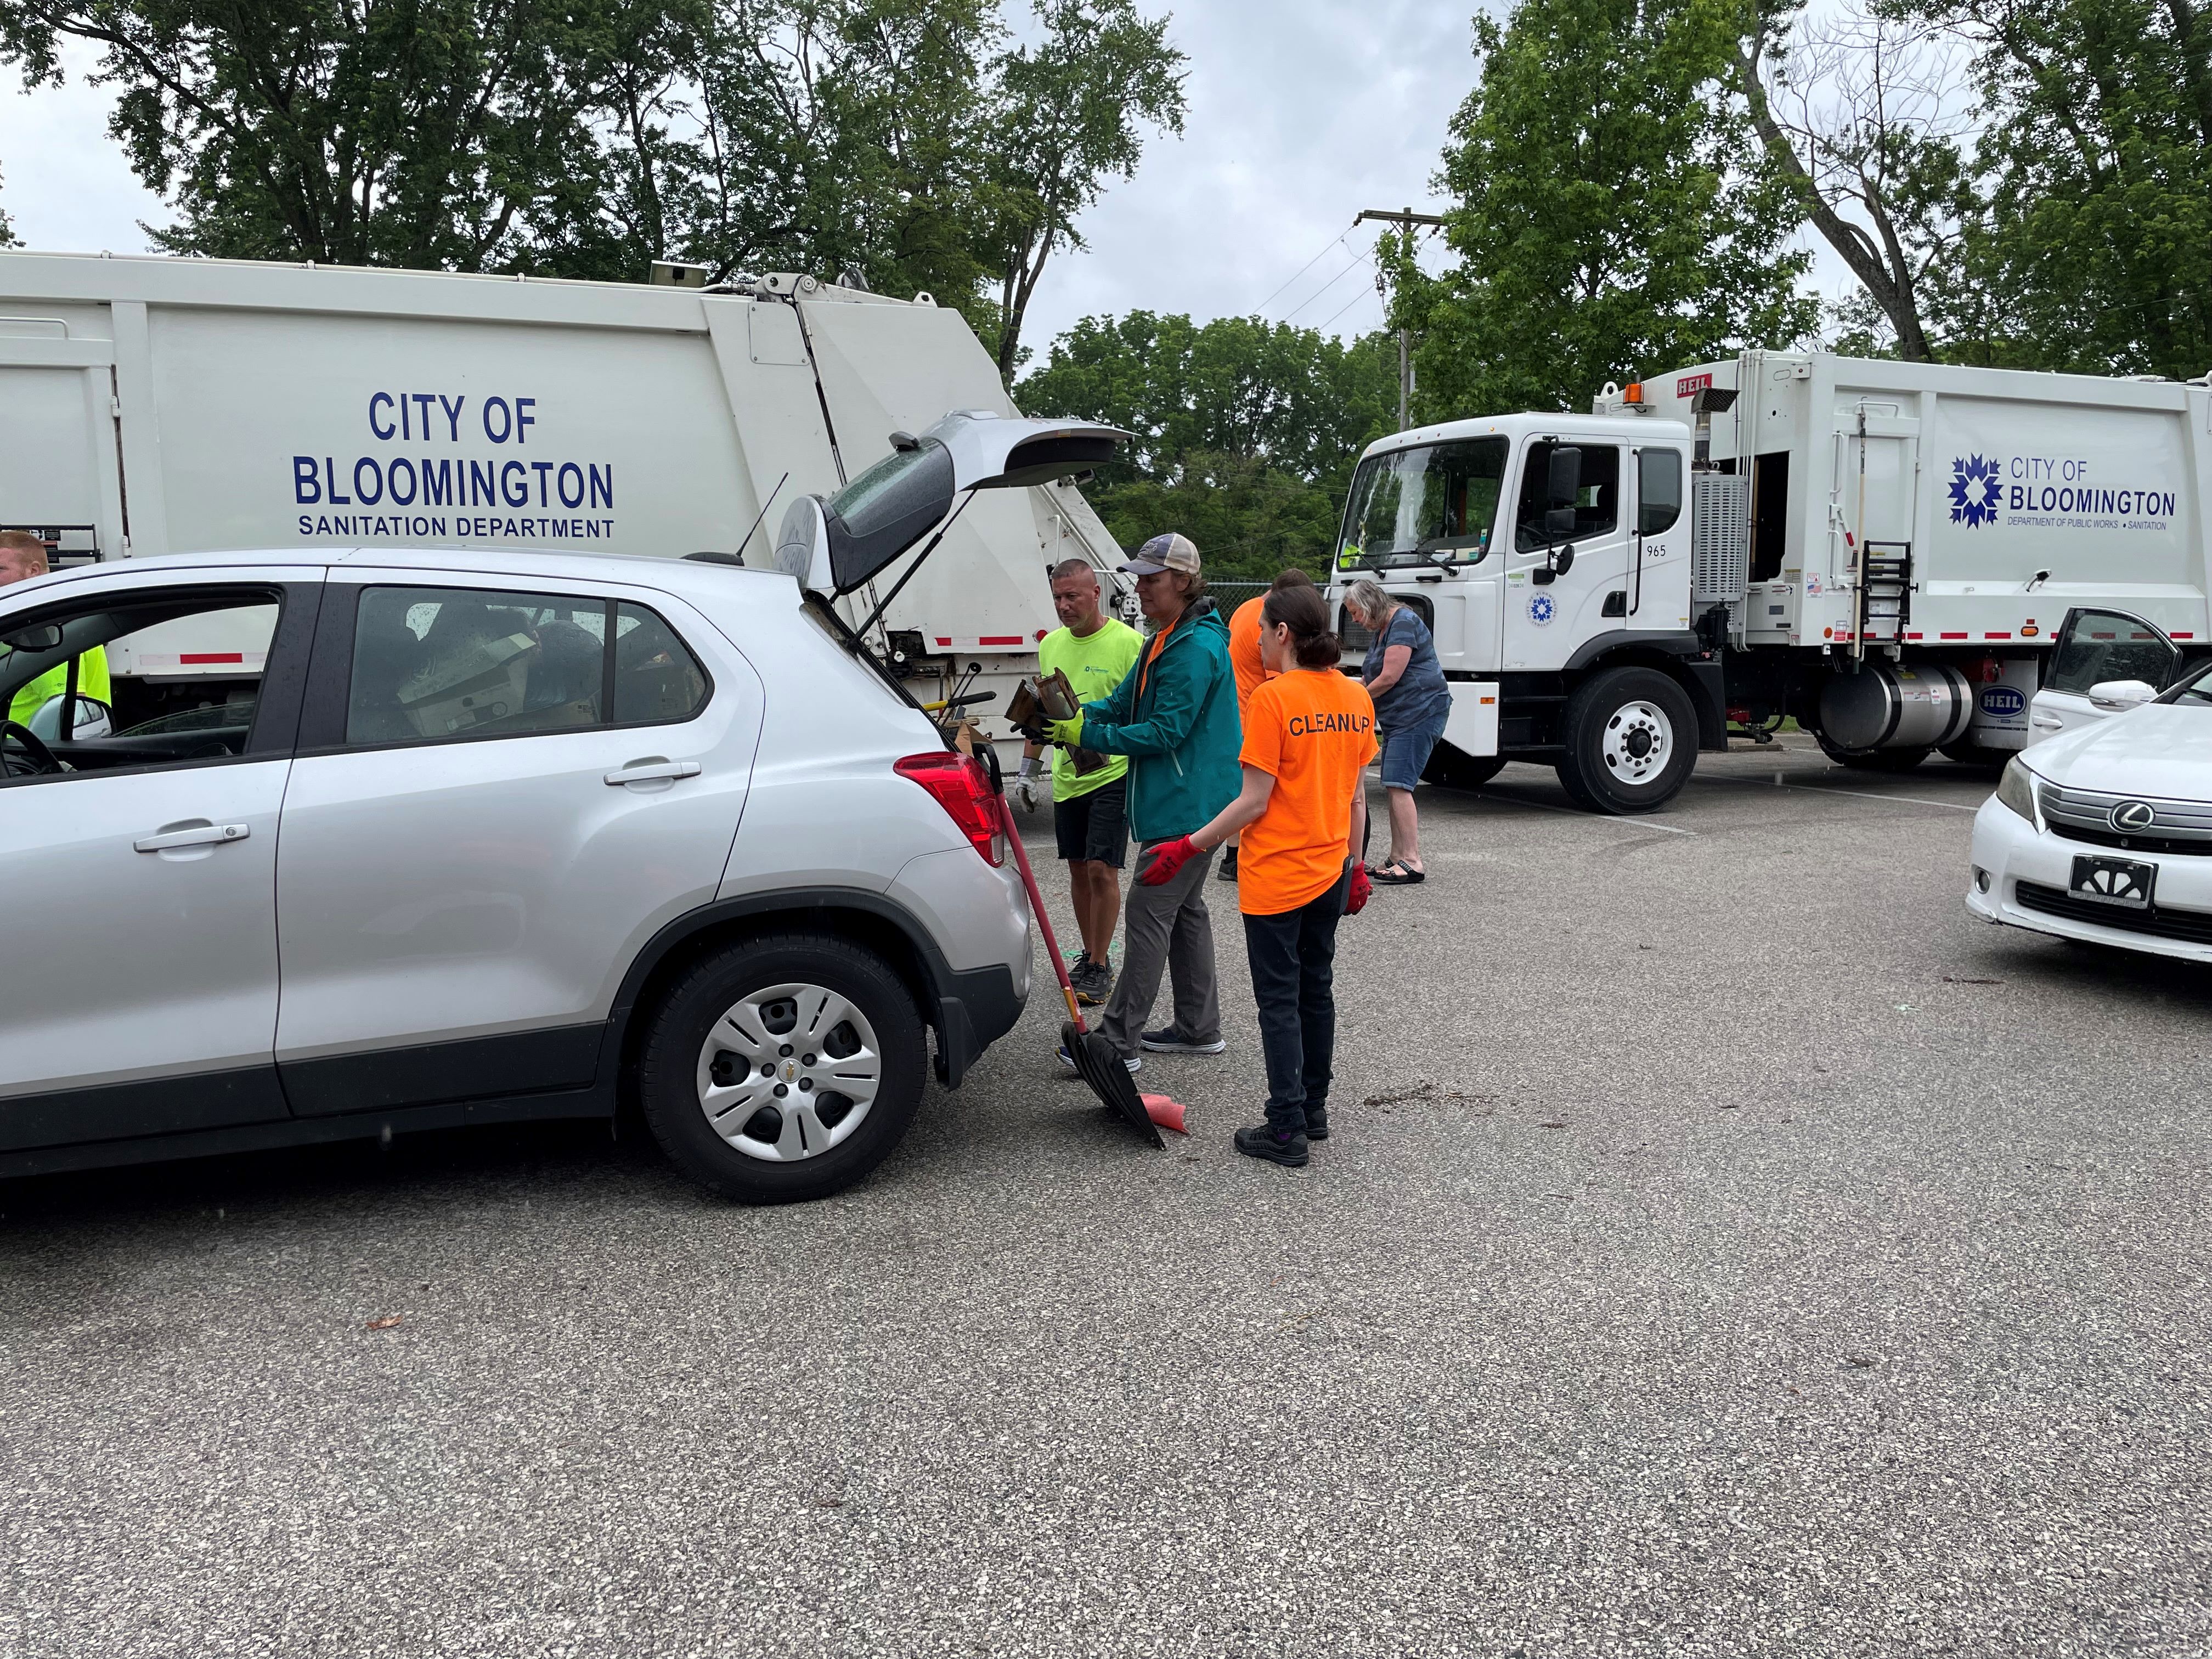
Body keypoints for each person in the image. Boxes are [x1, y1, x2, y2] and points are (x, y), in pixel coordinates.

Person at [1138, 583, 1374, 1167]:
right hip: (1330, 870)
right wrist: (1357, 863)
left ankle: (1286, 1127)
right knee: (1316, 990)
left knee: (1278, 1001)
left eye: (1263, 632)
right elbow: (1356, 797)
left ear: (1283, 633)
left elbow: (1253, 801)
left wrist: (1186, 847)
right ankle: (1312, 1110)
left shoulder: (1273, 699)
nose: (1257, 643)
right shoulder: (1354, 696)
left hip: (1278, 877)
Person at [1047, 532, 1241, 1072]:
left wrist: (1086, 735)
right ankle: (1198, 1028)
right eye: (1138, 578)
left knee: (1149, 911)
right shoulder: (1165, 639)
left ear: (1183, 581)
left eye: (1152, 579)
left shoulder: (1194, 648)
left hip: (1187, 806)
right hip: (1188, 801)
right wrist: (1072, 716)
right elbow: (1120, 702)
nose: (1140, 588)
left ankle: (1115, 1044)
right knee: (1185, 913)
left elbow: (1164, 732)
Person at [1013, 558, 1144, 1005]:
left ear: (1095, 594)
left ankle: (1101, 964)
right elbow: (1044, 711)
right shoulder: (1051, 645)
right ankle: (1089, 954)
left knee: (1101, 869)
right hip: (1069, 775)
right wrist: (1029, 770)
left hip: (1113, 772)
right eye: (1057, 597)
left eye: (1072, 596)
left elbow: (1141, 712)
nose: (1064, 605)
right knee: (1076, 869)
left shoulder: (1129, 644)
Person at [1345, 577, 1452, 884]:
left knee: (1400, 786)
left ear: (1369, 605)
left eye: (1356, 613)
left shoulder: (1403, 622)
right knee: (1394, 784)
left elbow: (1390, 676)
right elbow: (1372, 677)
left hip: (1418, 713)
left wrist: (1358, 699)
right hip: (1400, 717)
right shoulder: (1384, 629)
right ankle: (1397, 856)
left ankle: (1412, 861)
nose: (1355, 620)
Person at [1219, 567, 1317, 884]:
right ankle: (1248, 858)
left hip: (1235, 713)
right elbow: (1285, 680)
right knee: (1262, 795)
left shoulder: (1245, 610)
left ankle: (1231, 859)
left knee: (1242, 790)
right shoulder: (1272, 623)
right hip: (1259, 714)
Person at [0, 531, 110, 731]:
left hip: (30, 748)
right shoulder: (55, 616)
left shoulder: (40, 627)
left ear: (33, 570)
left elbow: (67, 713)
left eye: (0, 569)